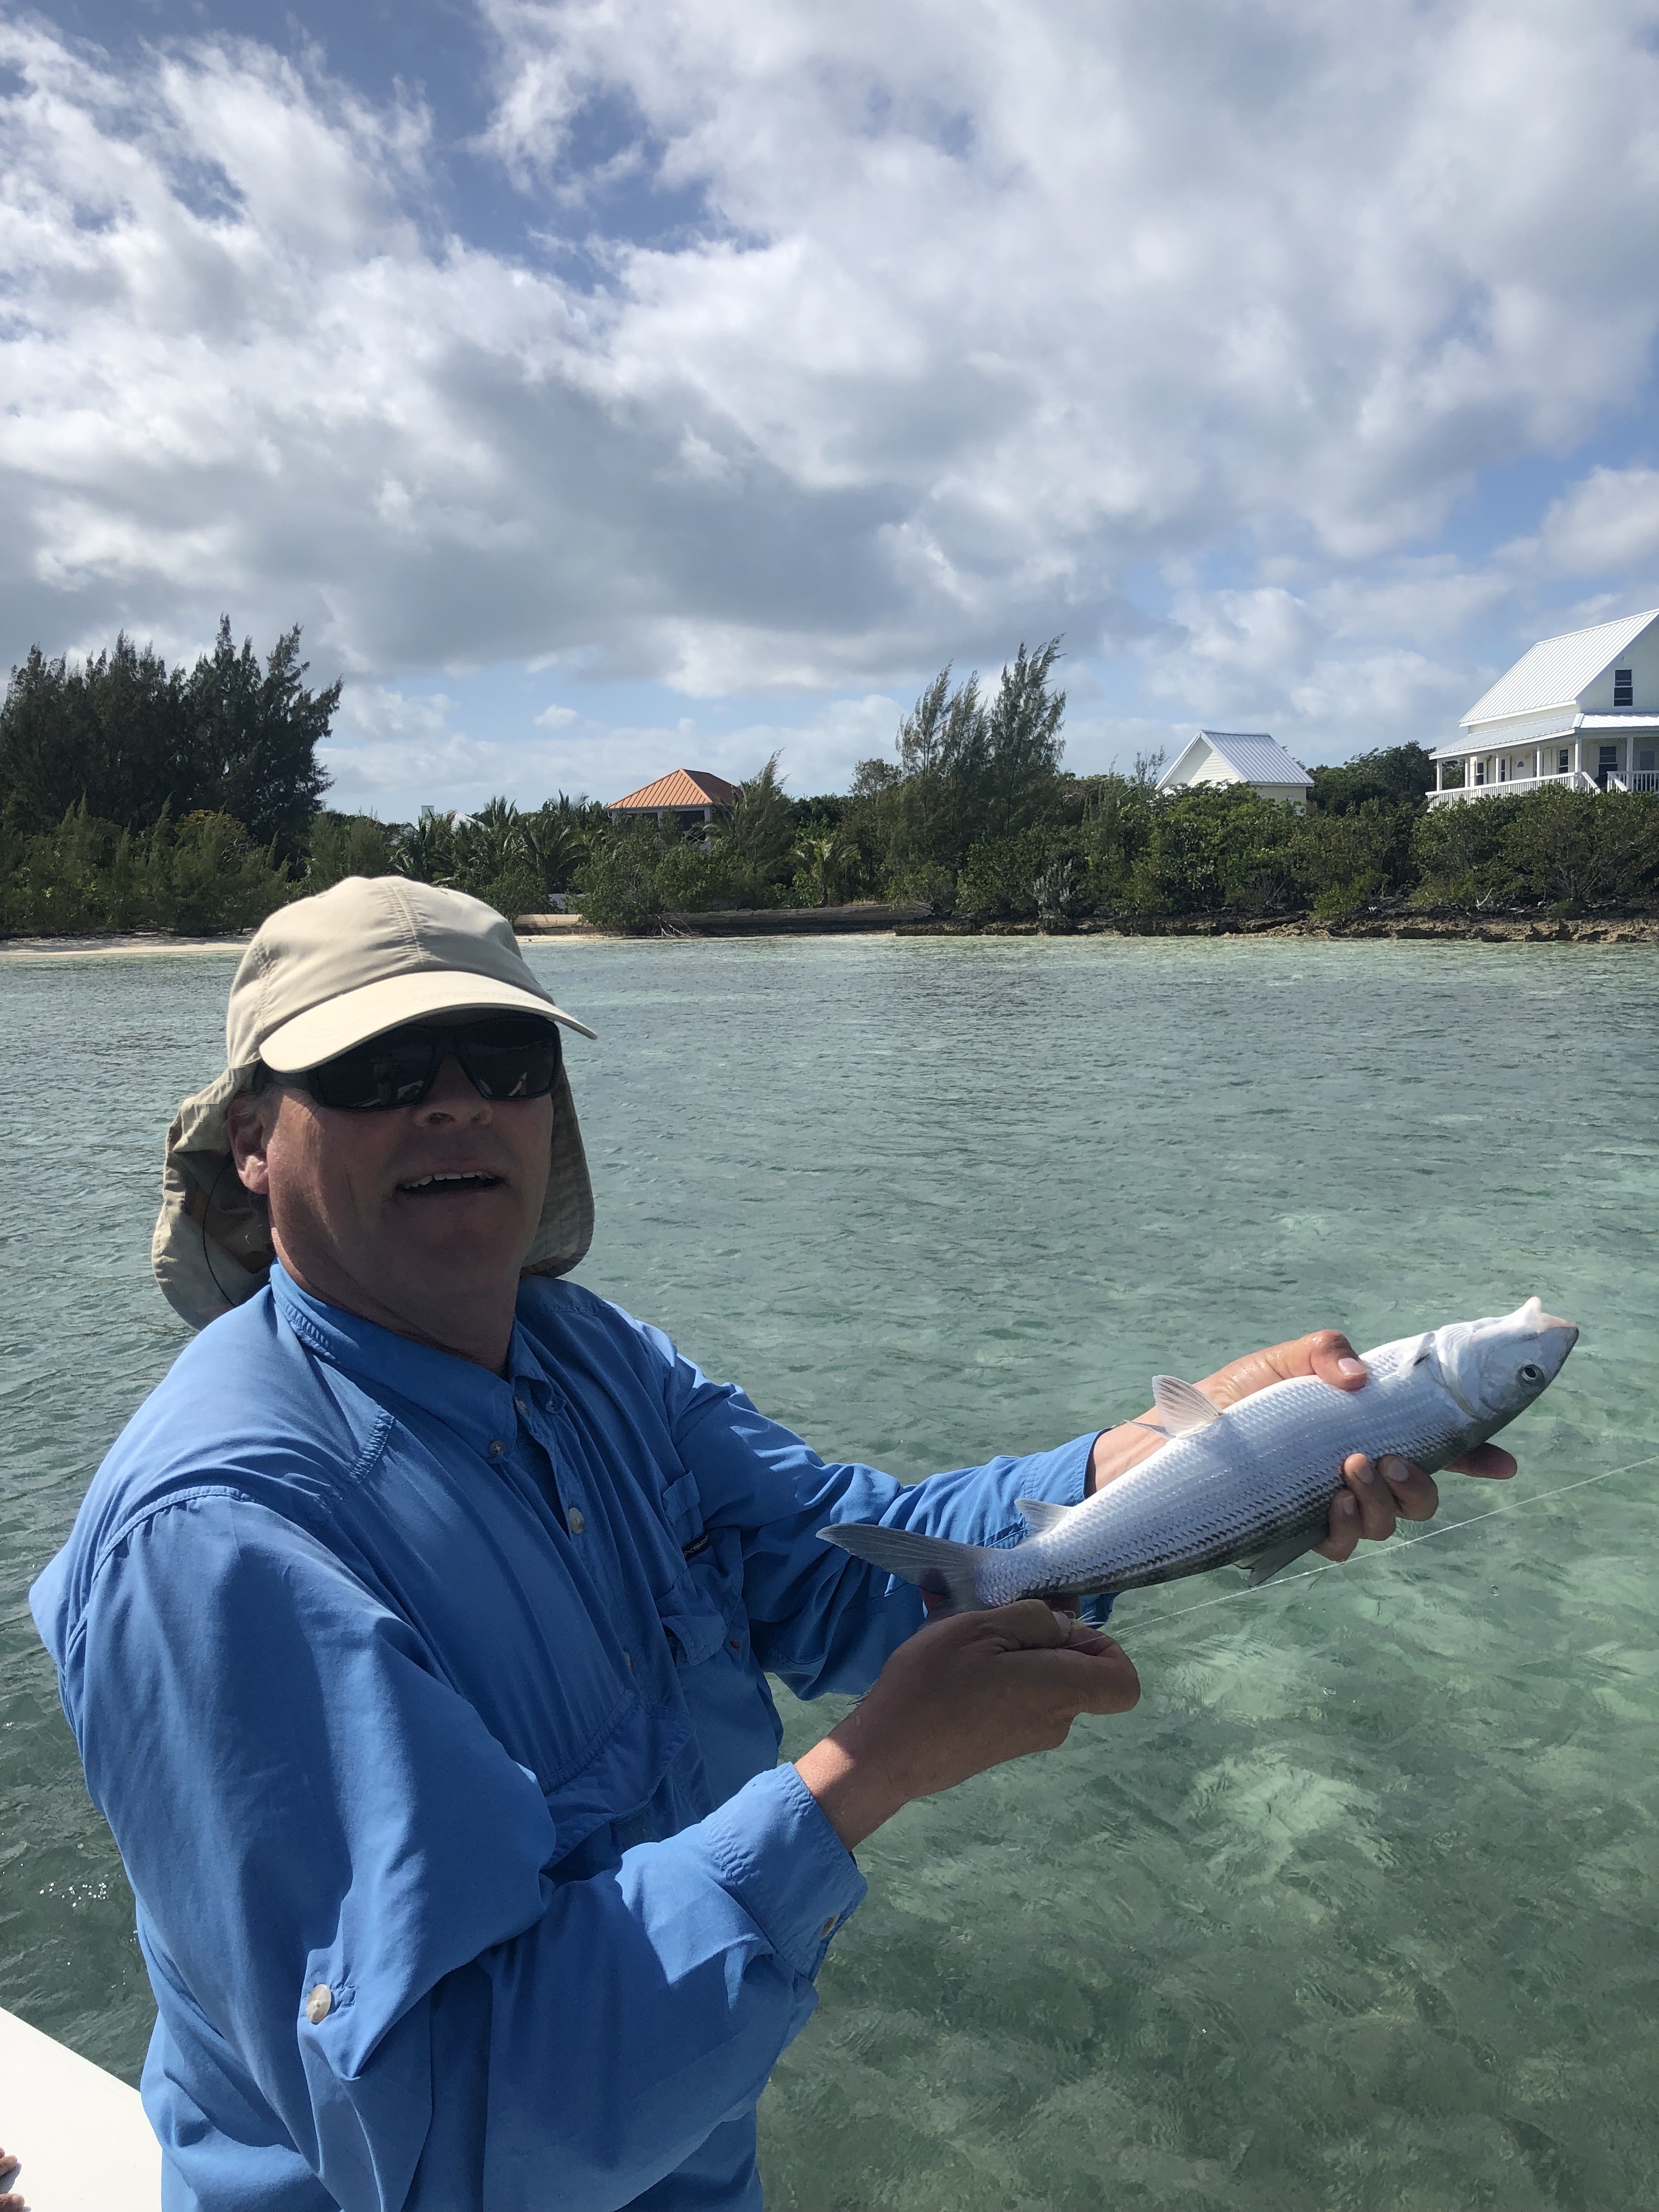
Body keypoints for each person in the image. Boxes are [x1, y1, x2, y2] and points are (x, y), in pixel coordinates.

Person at [31, 878, 1514, 2212]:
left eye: (506, 1060)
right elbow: (445, 2141)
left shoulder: (592, 1361)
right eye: (379, 1071)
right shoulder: (220, 1543)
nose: (456, 1105)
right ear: (251, 1141)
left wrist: (1188, 1460)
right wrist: (865, 1776)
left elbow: (847, 1565)